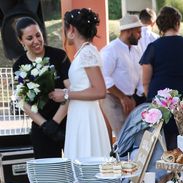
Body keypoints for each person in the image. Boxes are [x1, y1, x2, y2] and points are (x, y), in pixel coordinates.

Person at [49, 8, 110, 159]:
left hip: (86, 115)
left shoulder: (87, 53)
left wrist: (66, 94)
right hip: (80, 112)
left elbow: (100, 90)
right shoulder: (83, 52)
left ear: (72, 29)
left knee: (86, 156)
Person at [140, 5, 183, 149]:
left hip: (162, 101)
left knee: (162, 144)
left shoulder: (153, 47)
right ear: (177, 24)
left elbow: (145, 81)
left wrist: (152, 99)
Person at [12, 17, 70, 158]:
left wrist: (56, 122)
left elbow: (71, 90)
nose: (36, 41)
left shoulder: (59, 56)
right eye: (30, 38)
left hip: (67, 121)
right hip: (41, 126)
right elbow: (22, 101)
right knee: (48, 176)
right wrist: (45, 125)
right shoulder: (19, 66)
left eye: (38, 35)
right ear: (21, 41)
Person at [101, 15, 144, 136]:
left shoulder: (137, 50)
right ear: (128, 31)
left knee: (134, 136)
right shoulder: (110, 50)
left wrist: (135, 97)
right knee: (122, 137)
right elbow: (104, 78)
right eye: (138, 32)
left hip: (131, 99)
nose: (140, 36)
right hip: (112, 99)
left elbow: (140, 74)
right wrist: (122, 97)